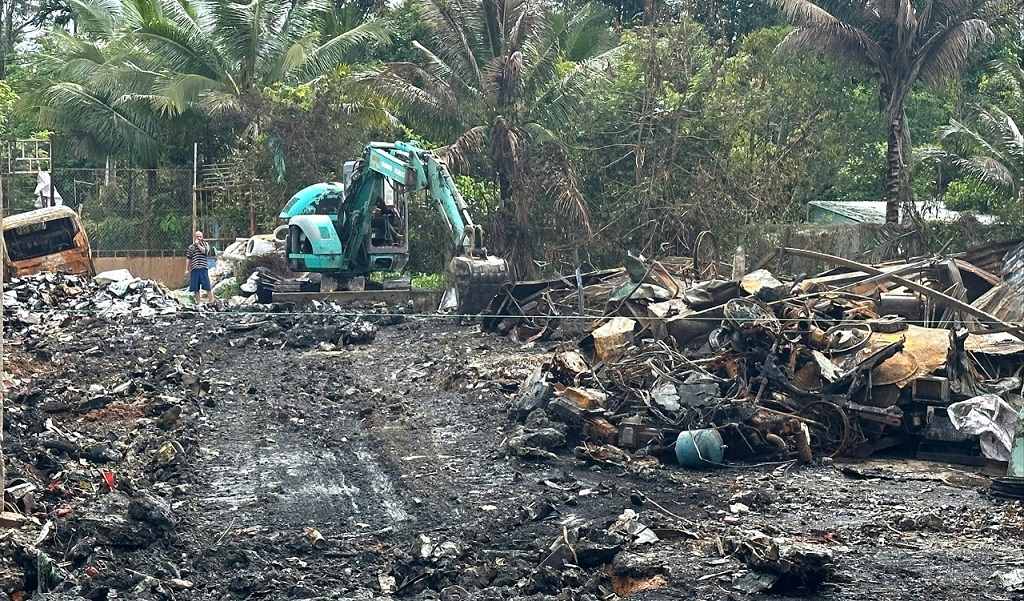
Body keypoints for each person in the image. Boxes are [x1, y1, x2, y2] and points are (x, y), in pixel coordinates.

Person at [186, 231, 215, 305]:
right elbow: (188, 258)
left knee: (207, 286)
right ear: (194, 237)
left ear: (202, 237)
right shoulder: (191, 247)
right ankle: (199, 303)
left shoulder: (205, 244)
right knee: (196, 288)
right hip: (194, 269)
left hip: (203, 268)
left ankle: (212, 301)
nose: (199, 238)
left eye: (200, 236)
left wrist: (198, 245)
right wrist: (187, 269)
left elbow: (205, 252)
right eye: (197, 236)